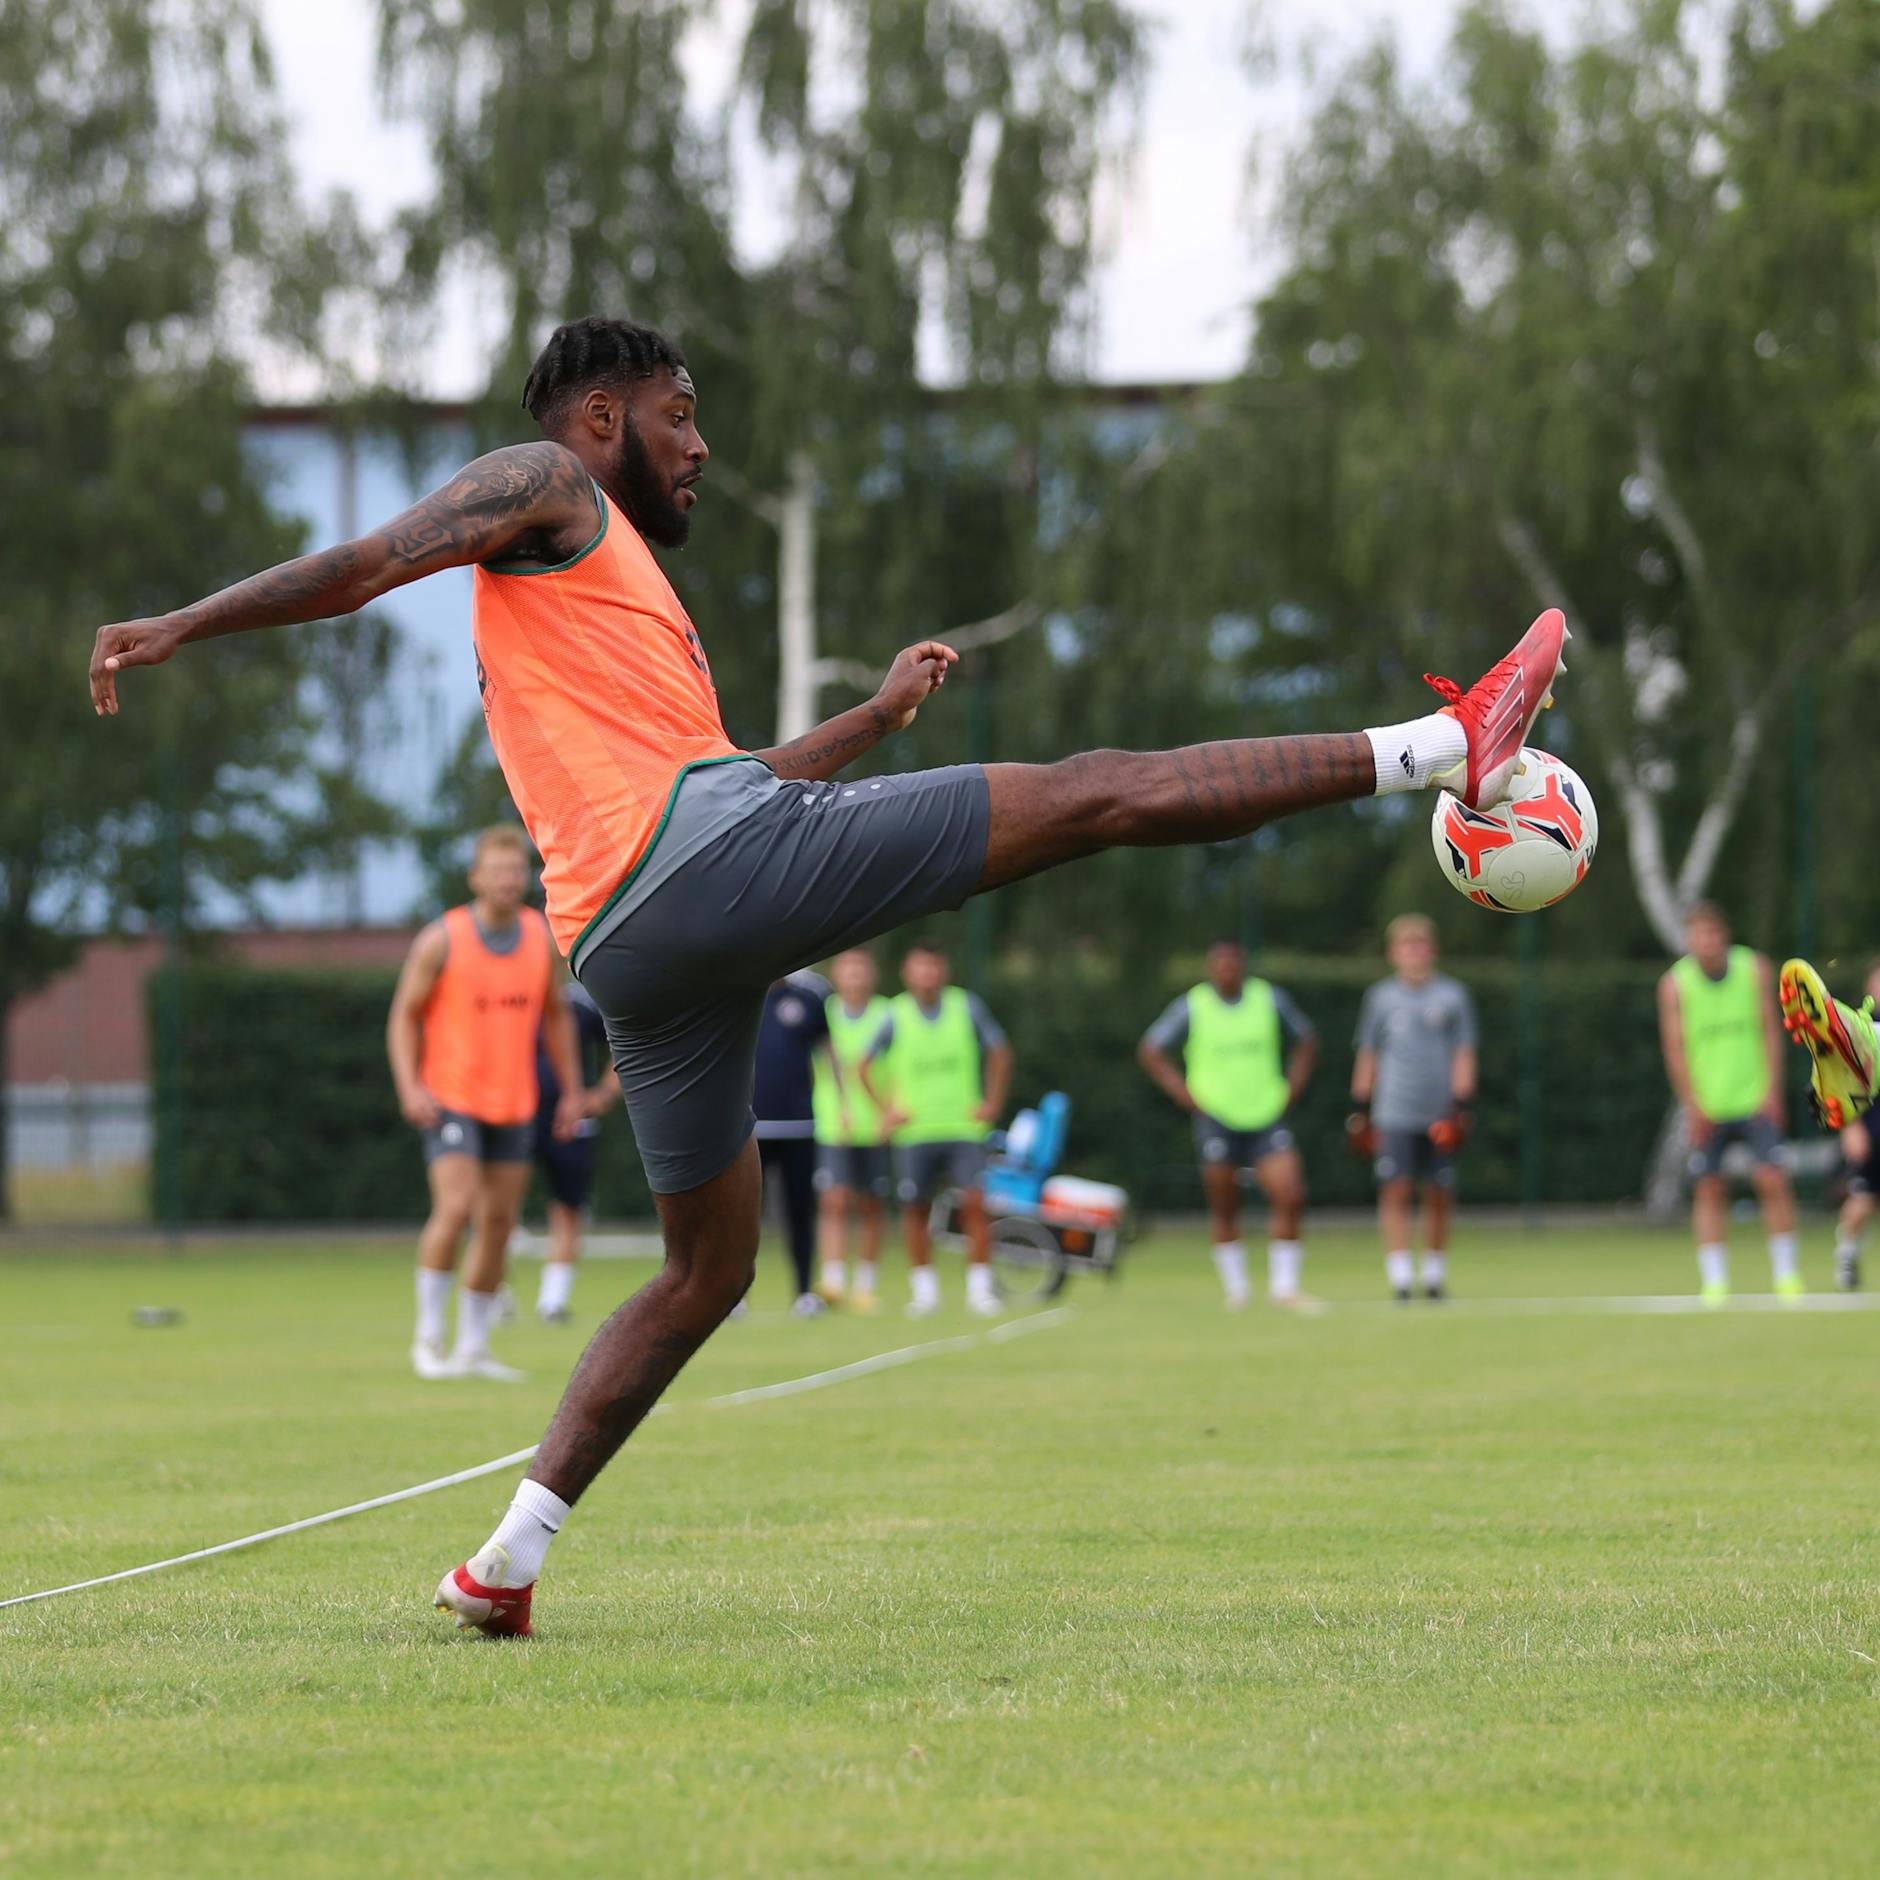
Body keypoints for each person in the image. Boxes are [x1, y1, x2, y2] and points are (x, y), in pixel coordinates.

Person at [88, 312, 1566, 1637]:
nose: (702, 442)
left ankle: (505, 1561)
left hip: (633, 941)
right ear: (601, 416)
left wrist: (867, 722)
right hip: (698, 877)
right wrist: (184, 623)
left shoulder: (612, 599)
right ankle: (1445, 745)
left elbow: (736, 795)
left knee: (708, 1269)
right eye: (680, 411)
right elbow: (363, 567)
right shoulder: (543, 481)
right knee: (1096, 791)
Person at [385, 825, 583, 1379]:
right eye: (495, 871)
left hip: (514, 1101)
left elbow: (556, 1017)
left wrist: (570, 1091)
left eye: (515, 871)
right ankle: (428, 1341)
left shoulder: (539, 937)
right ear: (475, 878)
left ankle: (474, 1347)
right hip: (451, 1097)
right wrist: (409, 1085)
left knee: (499, 1223)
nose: (506, 880)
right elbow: (403, 1015)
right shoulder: (442, 939)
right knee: (455, 1207)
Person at [1137, 940, 1317, 1309]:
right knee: (1224, 1204)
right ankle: (1237, 1290)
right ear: (1209, 968)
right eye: (1219, 963)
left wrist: (1292, 1087)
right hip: (1215, 1117)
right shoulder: (1192, 1005)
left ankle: (1285, 1287)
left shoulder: (1269, 999)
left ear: (1243, 966)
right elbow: (1150, 1049)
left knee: (1289, 1194)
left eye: (1233, 963)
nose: (1227, 970)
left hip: (1266, 1113)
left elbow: (1306, 1041)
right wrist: (1182, 1093)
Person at [858, 942, 1012, 1320]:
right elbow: (862, 1064)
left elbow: (1000, 1051)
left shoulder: (966, 1006)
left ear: (944, 970)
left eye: (934, 966)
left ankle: (981, 1289)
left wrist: (991, 1102)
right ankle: (924, 1292)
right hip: (915, 1131)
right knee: (915, 1209)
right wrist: (886, 1110)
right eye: (920, 967)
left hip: (963, 1126)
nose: (928, 974)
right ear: (907, 973)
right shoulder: (896, 1014)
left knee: (976, 1205)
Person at [1657, 903, 1799, 1305]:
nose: (1709, 941)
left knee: (1772, 1179)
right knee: (1709, 1188)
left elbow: (1772, 1030)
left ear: (1725, 935)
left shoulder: (1753, 968)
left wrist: (1772, 1090)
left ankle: (1787, 1275)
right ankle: (1715, 1282)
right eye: (1700, 934)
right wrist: (1691, 1105)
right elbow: (1675, 1049)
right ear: (1689, 940)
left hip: (1754, 1097)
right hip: (1708, 1105)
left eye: (1714, 933)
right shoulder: (1675, 983)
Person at [1349, 915, 1477, 1302]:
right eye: (1406, 946)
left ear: (1432, 951)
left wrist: (1461, 1103)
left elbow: (1464, 1052)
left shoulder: (1453, 996)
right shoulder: (1380, 998)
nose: (1414, 953)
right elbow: (1369, 1054)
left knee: (1439, 1191)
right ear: (1393, 954)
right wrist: (1359, 1107)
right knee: (1395, 1189)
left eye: (1420, 945)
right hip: (1394, 1112)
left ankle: (1434, 1276)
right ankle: (1401, 1278)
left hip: (1439, 1112)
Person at [1775, 956, 1880, 1292]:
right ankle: (1847, 1252)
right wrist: (1850, 1126)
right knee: (1863, 1200)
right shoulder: (1869, 1026)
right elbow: (1845, 1092)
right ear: (1869, 986)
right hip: (1872, 1128)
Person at [531, 977, 619, 1325]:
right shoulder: (511, 996)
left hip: (571, 1122)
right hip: (513, 1117)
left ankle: (553, 1300)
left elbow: (624, 1045)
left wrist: (602, 1095)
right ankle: (493, 1294)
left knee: (568, 1209)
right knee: (495, 1209)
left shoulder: (582, 1003)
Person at [813, 948, 892, 1314]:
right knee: (834, 1200)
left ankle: (866, 1284)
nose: (854, 975)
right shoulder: (823, 1014)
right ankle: (832, 1280)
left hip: (876, 1124)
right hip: (833, 1123)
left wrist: (889, 1111)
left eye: (861, 967)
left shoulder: (886, 1014)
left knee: (872, 1204)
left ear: (872, 974)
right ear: (835, 975)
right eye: (847, 968)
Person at [752, 969, 834, 1316]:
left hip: (800, 1125)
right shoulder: (736, 996)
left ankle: (803, 1292)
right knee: (742, 1218)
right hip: (749, 1129)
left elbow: (829, 1057)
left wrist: (842, 1105)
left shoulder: (809, 999)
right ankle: (735, 1297)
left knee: (801, 1211)